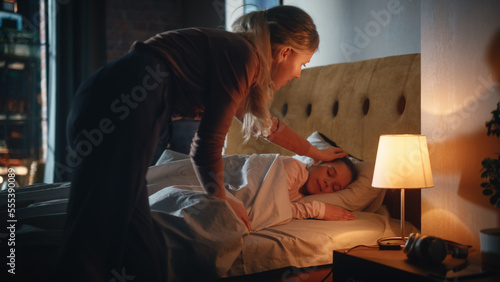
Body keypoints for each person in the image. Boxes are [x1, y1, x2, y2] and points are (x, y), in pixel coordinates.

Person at [52, 5, 347, 282]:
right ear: (285, 52)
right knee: (95, 235)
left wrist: (314, 152)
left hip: (120, 101)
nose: (298, 74)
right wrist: (222, 195)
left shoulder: (239, 56)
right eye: (303, 64)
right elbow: (207, 144)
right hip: (123, 103)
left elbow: (267, 127)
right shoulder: (243, 57)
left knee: (137, 243)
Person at [284, 156, 357, 221]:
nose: (328, 183)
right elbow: (274, 209)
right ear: (317, 162)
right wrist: (317, 210)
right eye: (329, 173)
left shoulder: (302, 198)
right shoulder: (292, 166)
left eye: (334, 187)